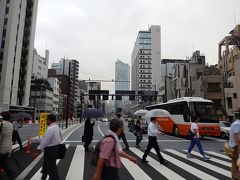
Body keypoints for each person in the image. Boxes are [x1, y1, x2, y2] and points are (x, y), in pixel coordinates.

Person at [37, 114, 62, 180]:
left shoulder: (50, 129)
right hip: (56, 148)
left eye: (46, 120)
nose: (46, 122)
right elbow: (60, 138)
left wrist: (40, 147)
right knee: (46, 166)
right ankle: (43, 178)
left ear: (49, 120)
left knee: (52, 169)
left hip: (50, 150)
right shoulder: (57, 127)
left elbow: (45, 140)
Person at [0, 111, 15, 180]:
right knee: (3, 162)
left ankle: (11, 172)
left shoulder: (1, 124)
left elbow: (1, 136)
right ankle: (11, 173)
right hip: (8, 147)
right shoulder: (11, 124)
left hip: (2, 147)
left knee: (3, 162)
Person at [229, 112, 240, 179]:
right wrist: (239, 145)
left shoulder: (235, 123)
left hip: (234, 146)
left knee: (235, 164)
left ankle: (234, 177)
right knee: (235, 164)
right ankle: (235, 177)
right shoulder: (238, 124)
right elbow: (235, 135)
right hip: (235, 146)